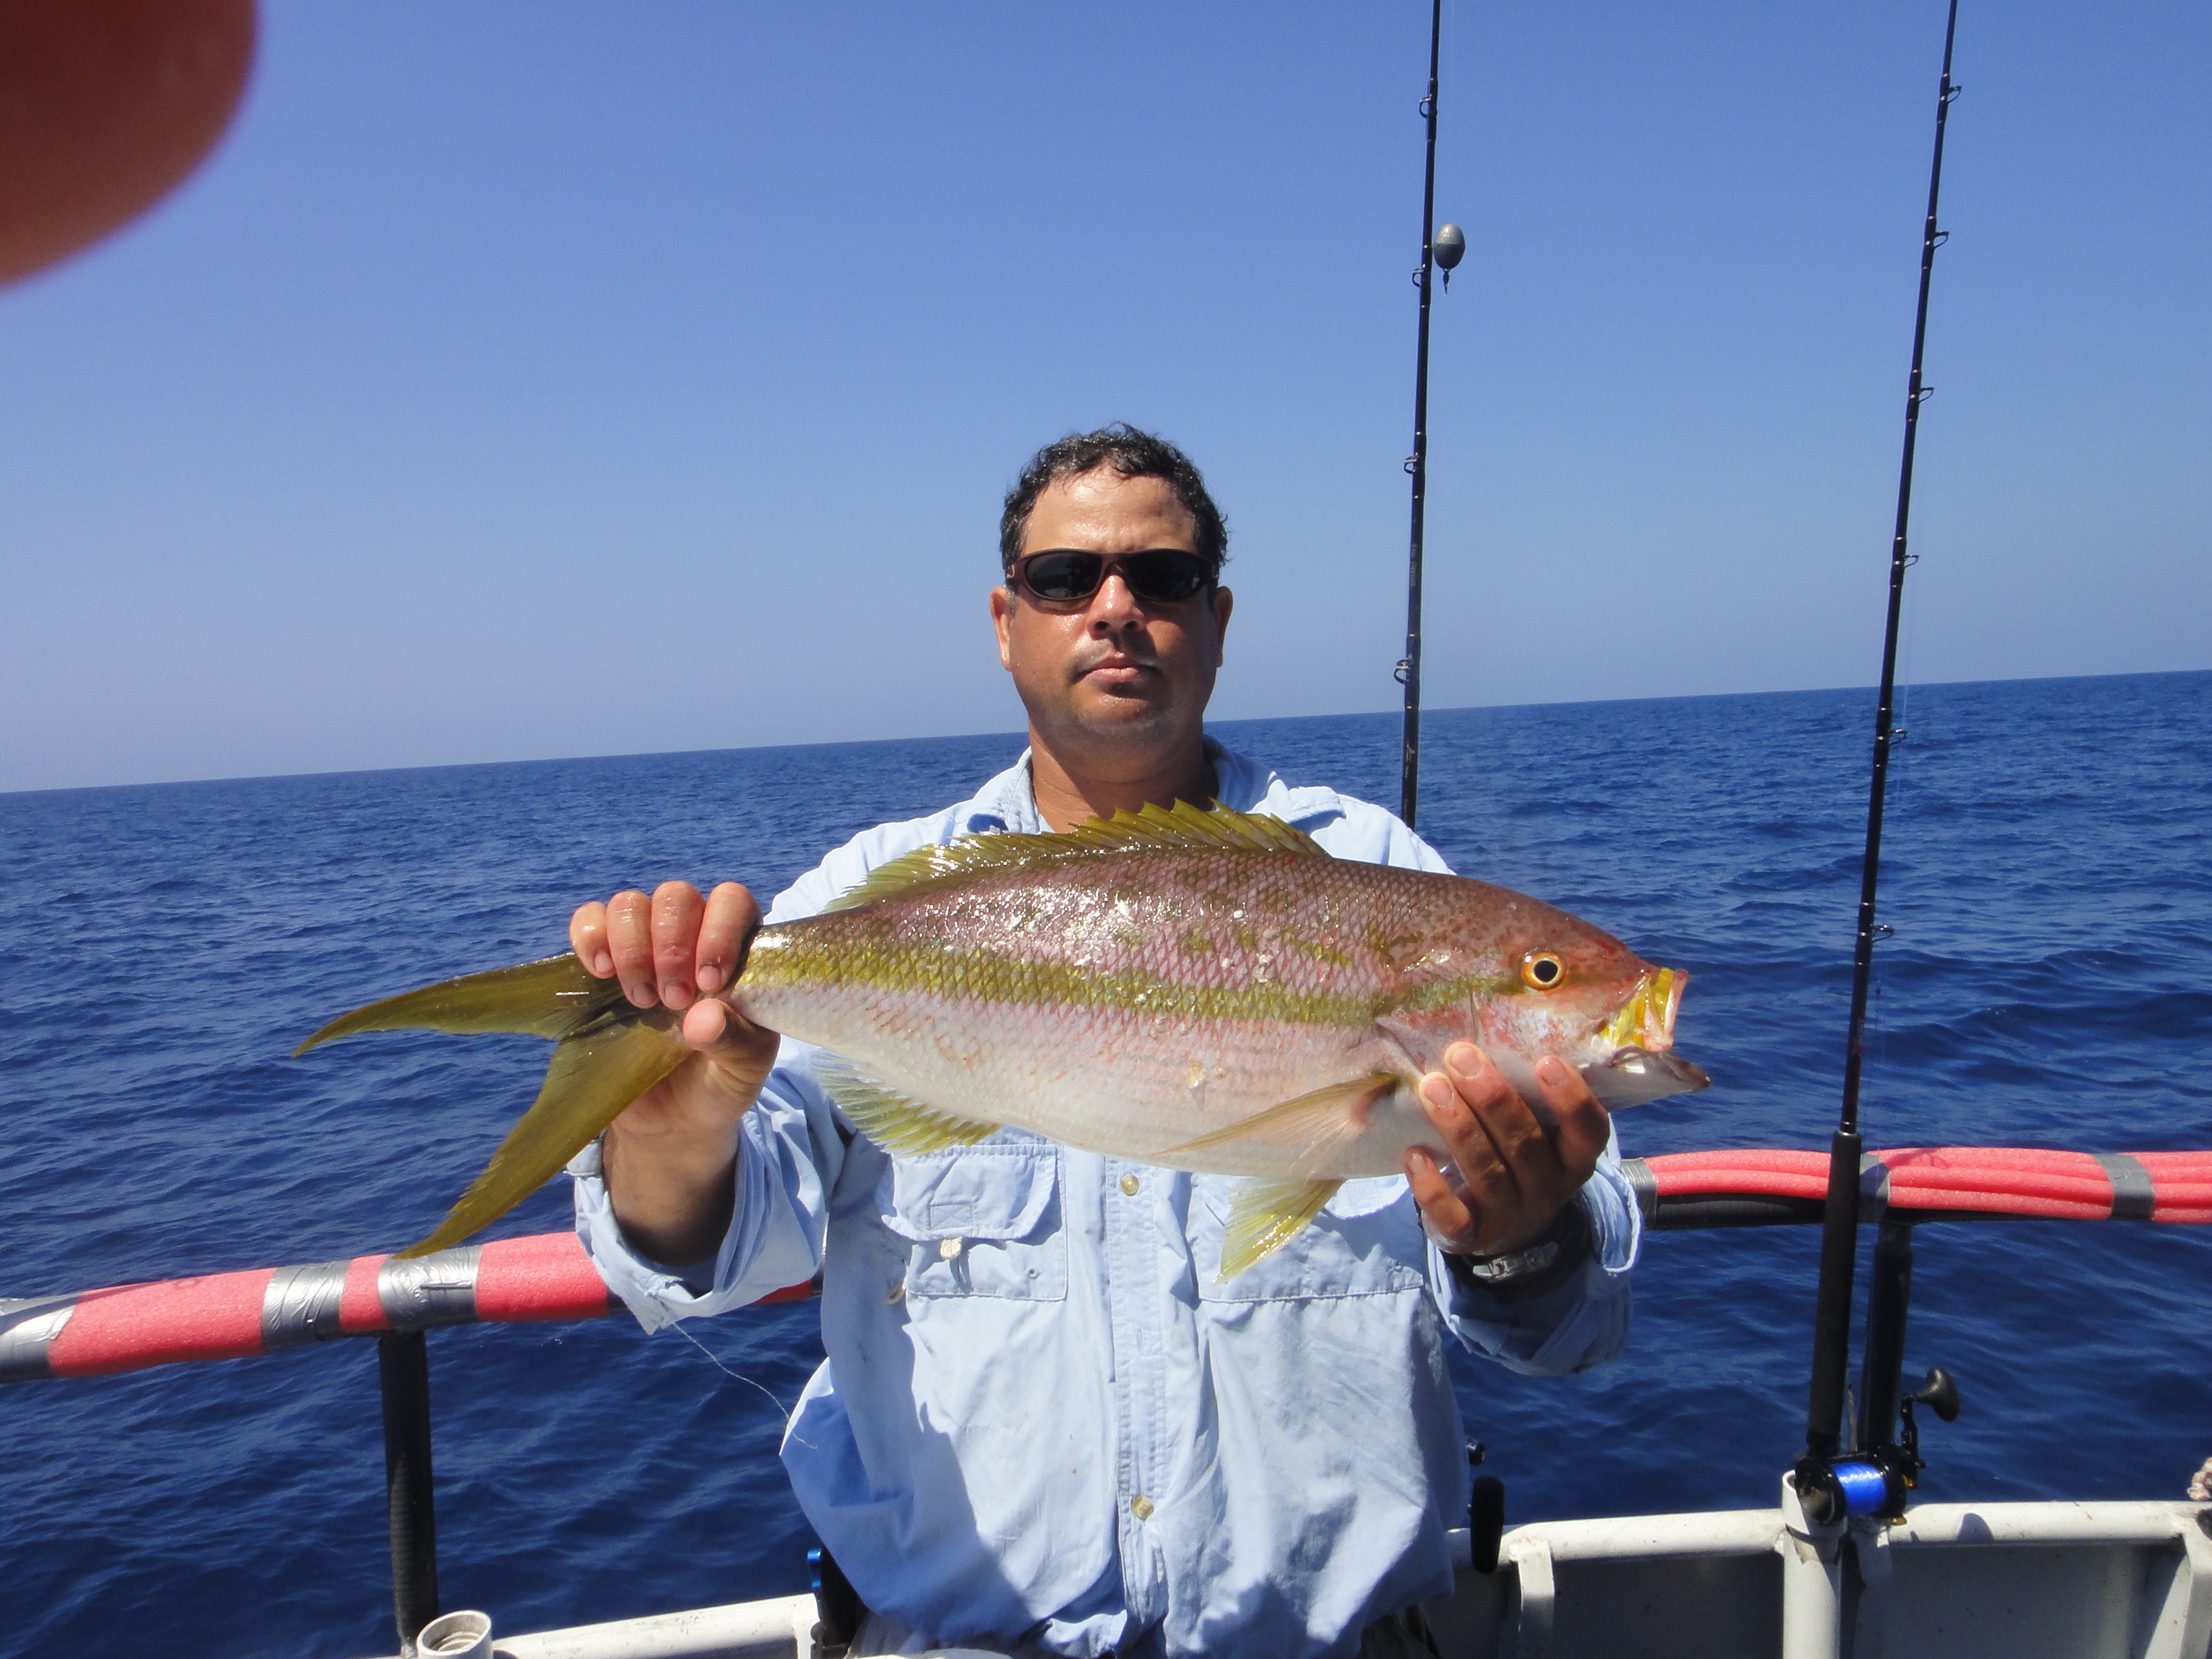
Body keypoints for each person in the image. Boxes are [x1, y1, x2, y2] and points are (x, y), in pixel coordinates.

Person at [566, 426, 1640, 1658]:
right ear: (1004, 619)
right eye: (1065, 579)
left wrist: (1522, 1242)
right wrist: (669, 1134)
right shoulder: (869, 894)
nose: (1115, 608)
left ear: (1220, 619)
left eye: (1164, 579)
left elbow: (1579, 1325)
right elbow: (703, 1260)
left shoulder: (1377, 875)